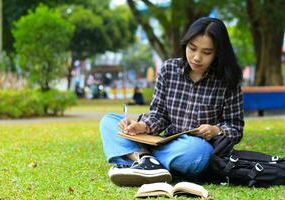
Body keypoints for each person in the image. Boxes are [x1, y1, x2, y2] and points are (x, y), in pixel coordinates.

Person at [99, 17, 244, 187]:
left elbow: (235, 128)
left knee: (198, 151)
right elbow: (159, 113)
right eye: (192, 48)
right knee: (109, 121)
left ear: (218, 52)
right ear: (185, 45)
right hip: (163, 142)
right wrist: (143, 126)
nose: (197, 57)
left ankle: (141, 160)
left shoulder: (228, 80)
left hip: (194, 148)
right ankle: (146, 161)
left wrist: (216, 130)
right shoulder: (169, 69)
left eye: (206, 52)